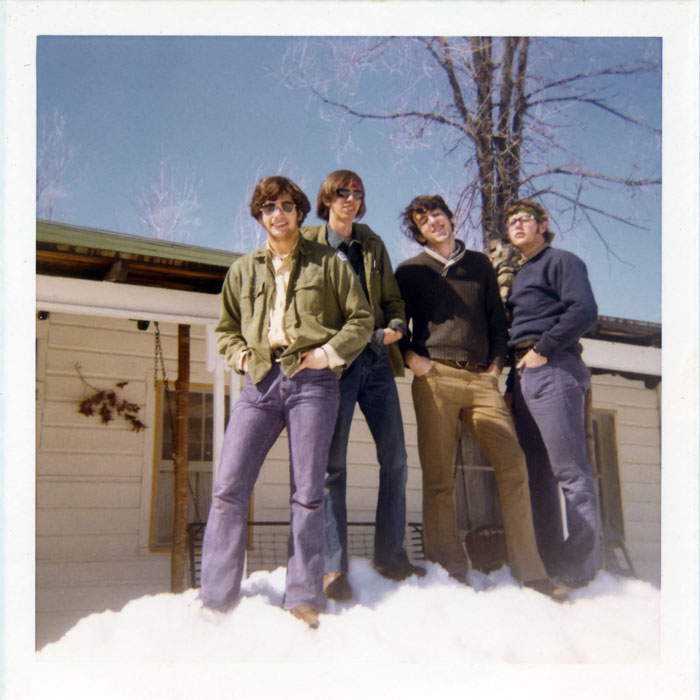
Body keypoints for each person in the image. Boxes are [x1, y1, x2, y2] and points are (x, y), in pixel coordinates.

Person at [198, 176, 374, 629]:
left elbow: (361, 318)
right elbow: (225, 328)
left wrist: (328, 354)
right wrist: (238, 356)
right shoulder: (242, 270)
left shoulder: (329, 263)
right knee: (228, 488)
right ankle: (216, 599)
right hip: (260, 382)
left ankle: (303, 594)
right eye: (269, 207)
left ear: (299, 212)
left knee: (308, 492)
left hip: (313, 383)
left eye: (287, 205)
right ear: (260, 216)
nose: (278, 213)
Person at [394, 194, 563, 599]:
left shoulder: (480, 265)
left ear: (450, 218)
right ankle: (450, 569)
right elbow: (393, 319)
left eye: (437, 213)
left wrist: (495, 368)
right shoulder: (410, 272)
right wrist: (411, 358)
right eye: (422, 218)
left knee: (513, 465)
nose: (432, 221)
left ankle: (530, 569)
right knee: (438, 478)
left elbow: (497, 322)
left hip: (480, 381)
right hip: (435, 377)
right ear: (417, 232)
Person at [301, 170, 425, 601]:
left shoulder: (372, 242)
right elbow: (311, 313)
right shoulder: (309, 246)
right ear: (327, 199)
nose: (350, 199)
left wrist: (394, 323)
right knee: (332, 468)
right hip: (336, 366)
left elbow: (392, 297)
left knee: (395, 458)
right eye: (342, 193)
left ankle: (391, 556)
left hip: (376, 364)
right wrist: (360, 337)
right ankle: (333, 569)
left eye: (357, 193)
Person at [505, 198, 601, 587]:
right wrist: (514, 383)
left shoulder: (562, 261)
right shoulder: (520, 273)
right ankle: (549, 562)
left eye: (525, 218)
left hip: (555, 367)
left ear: (543, 225)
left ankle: (580, 568)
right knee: (538, 473)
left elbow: (584, 311)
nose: (517, 224)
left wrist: (542, 349)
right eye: (511, 221)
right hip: (526, 375)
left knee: (570, 472)